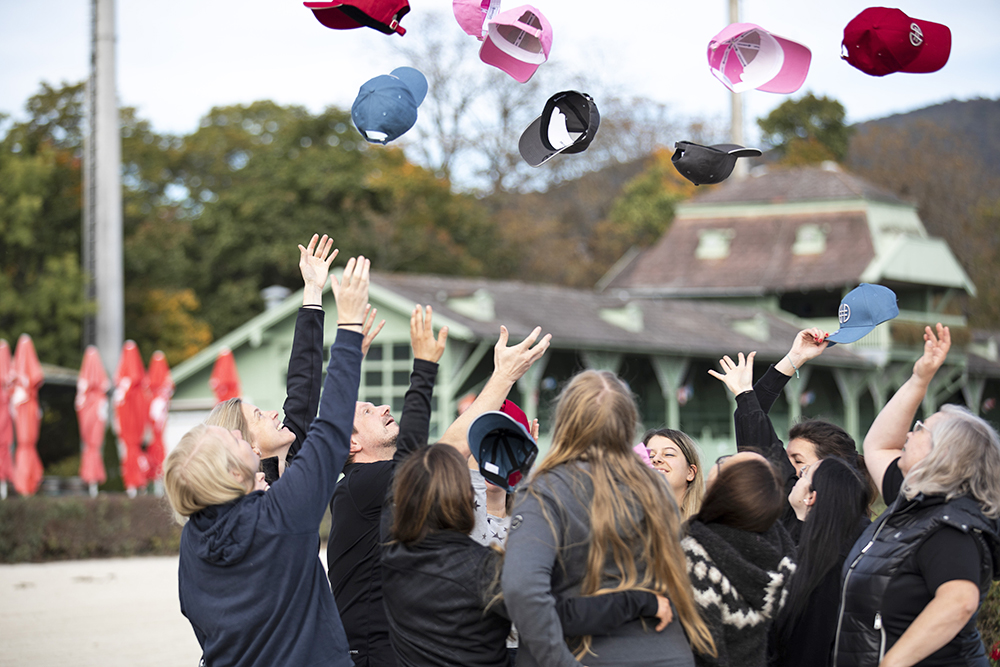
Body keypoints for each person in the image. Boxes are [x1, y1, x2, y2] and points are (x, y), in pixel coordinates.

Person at [163, 253, 371, 667]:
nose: (272, 414)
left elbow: (304, 399)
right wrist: (347, 328)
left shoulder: (195, 541)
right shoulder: (280, 515)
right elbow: (329, 431)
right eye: (234, 435)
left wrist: (313, 295)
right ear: (240, 467)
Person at [328, 317, 550, 667]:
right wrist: (504, 376)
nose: (384, 407)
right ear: (351, 442)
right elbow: (450, 448)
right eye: (367, 411)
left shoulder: (386, 487)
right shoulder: (360, 485)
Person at [381, 442, 675, 667]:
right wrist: (640, 601)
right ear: (465, 498)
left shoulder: (391, 553)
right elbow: (556, 616)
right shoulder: (483, 568)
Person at [503, 370, 716, 667]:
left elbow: (521, 589)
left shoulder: (544, 492)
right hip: (664, 650)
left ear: (565, 421)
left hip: (582, 654)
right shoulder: (656, 488)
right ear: (628, 423)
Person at [834, 324, 1000, 667]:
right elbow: (878, 444)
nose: (911, 431)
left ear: (944, 455)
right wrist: (920, 379)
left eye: (922, 428)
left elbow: (960, 601)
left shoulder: (951, 527)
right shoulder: (914, 503)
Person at [206, 234, 383, 484]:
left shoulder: (289, 461)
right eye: (259, 416)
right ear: (250, 446)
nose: (273, 414)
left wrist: (312, 289)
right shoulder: (270, 498)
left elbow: (303, 385)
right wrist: (348, 346)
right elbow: (330, 420)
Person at [708, 329, 875, 539]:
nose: (784, 467)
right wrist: (795, 358)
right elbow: (750, 418)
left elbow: (754, 428)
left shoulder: (840, 528)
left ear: (832, 468)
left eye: (797, 461)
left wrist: (745, 394)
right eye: (786, 458)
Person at [682, 451, 796, 667]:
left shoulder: (696, 554)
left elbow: (704, 651)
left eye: (724, 464)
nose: (717, 466)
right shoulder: (778, 550)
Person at [773, 456, 869, 667]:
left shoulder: (829, 568)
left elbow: (810, 650)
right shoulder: (814, 552)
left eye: (805, 473)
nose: (798, 474)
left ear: (811, 497)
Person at [642, 428, 705, 520]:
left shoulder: (712, 526)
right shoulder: (626, 524)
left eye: (668, 454)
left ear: (690, 472)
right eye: (650, 456)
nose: (655, 459)